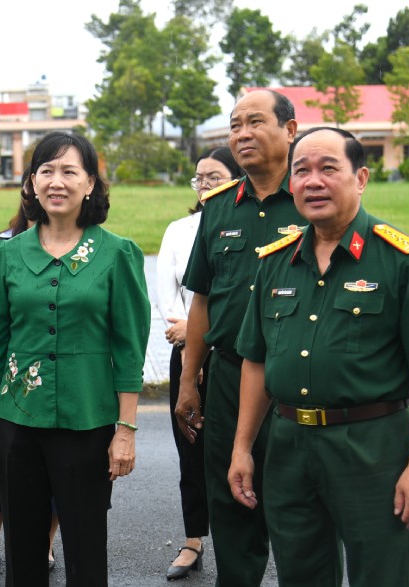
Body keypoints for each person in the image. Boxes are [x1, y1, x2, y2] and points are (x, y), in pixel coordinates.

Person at [229, 127, 409, 587]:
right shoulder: (274, 261)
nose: (313, 181)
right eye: (302, 171)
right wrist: (242, 448)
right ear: (290, 185)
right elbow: (256, 361)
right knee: (300, 571)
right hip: (289, 446)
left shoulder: (401, 259)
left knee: (381, 574)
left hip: (371, 447)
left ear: (361, 177)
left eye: (328, 168)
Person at [0, 132, 150, 586]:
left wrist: (125, 430)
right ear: (31, 183)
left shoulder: (118, 254)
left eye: (69, 171)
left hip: (87, 425)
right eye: (46, 171)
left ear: (90, 184)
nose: (57, 181)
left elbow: (130, 348)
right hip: (16, 423)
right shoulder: (6, 254)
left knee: (87, 554)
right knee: (24, 555)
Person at [174, 90, 303, 587]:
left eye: (255, 122)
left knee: (300, 505)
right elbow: (202, 300)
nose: (242, 135)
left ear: (290, 129)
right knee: (231, 501)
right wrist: (189, 381)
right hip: (227, 376)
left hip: (296, 376)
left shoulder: (315, 197)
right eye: (234, 126)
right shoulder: (219, 208)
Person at [156, 146, 242, 580]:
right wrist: (190, 341)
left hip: (234, 355)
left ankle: (243, 542)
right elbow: (166, 295)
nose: (205, 185)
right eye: (200, 178)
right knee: (191, 449)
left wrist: (198, 334)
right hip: (186, 354)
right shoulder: (180, 230)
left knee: (239, 451)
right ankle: (193, 541)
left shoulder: (249, 226)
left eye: (215, 177)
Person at [0, 195, 62, 573]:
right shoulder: (4, 242)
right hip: (8, 375)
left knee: (53, 473)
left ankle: (47, 543)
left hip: (51, 376)